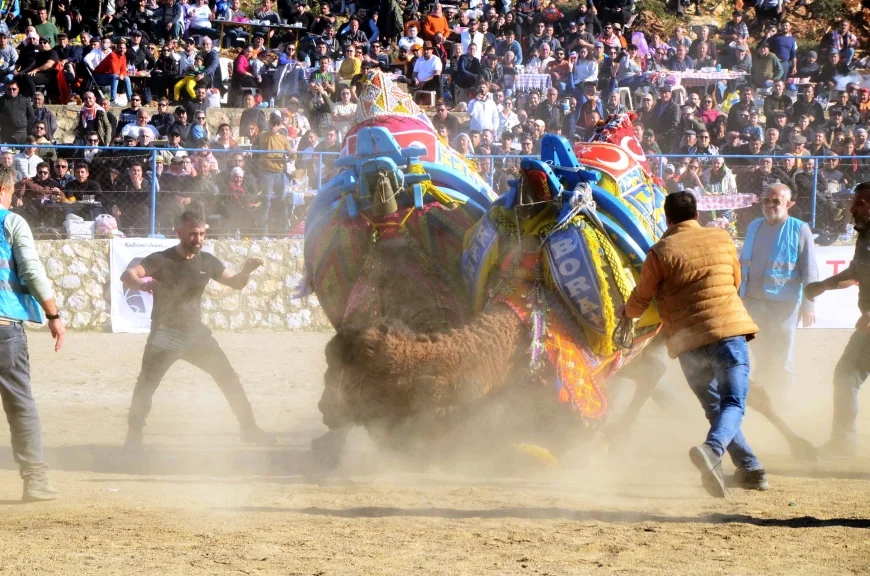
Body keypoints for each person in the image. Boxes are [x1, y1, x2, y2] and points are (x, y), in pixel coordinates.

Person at [617, 191, 764, 497]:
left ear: (667, 219)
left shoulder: (660, 252)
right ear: (697, 215)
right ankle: (714, 450)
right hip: (729, 333)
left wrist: (626, 314)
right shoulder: (722, 238)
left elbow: (641, 299)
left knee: (715, 406)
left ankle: (750, 468)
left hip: (688, 342)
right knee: (733, 403)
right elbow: (736, 282)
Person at [121, 210, 274, 450]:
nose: (198, 239)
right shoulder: (161, 259)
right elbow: (128, 275)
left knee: (228, 378)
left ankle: (249, 428)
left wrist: (246, 271)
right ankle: (133, 438)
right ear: (179, 233)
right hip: (164, 335)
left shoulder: (208, 262)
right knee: (146, 387)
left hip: (195, 335)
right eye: (193, 234)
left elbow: (235, 283)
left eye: (202, 234)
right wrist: (143, 283)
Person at [0, 162, 65, 502]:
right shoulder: (11, 222)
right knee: (20, 405)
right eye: (11, 192)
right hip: (4, 328)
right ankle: (35, 481)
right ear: (2, 190)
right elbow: (31, 271)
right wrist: (53, 313)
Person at [805, 183, 870, 457]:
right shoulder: (864, 236)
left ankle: (843, 442)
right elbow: (855, 273)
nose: (852, 207)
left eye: (859, 203)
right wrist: (823, 285)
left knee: (846, 376)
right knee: (846, 375)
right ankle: (843, 443)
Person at [739, 183, 818, 401]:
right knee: (760, 353)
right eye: (767, 200)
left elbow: (810, 270)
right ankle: (764, 398)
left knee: (782, 357)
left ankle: (781, 401)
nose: (771, 205)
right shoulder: (754, 226)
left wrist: (809, 305)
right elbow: (742, 263)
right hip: (753, 303)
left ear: (789, 204)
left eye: (776, 201)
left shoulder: (799, 229)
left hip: (784, 306)